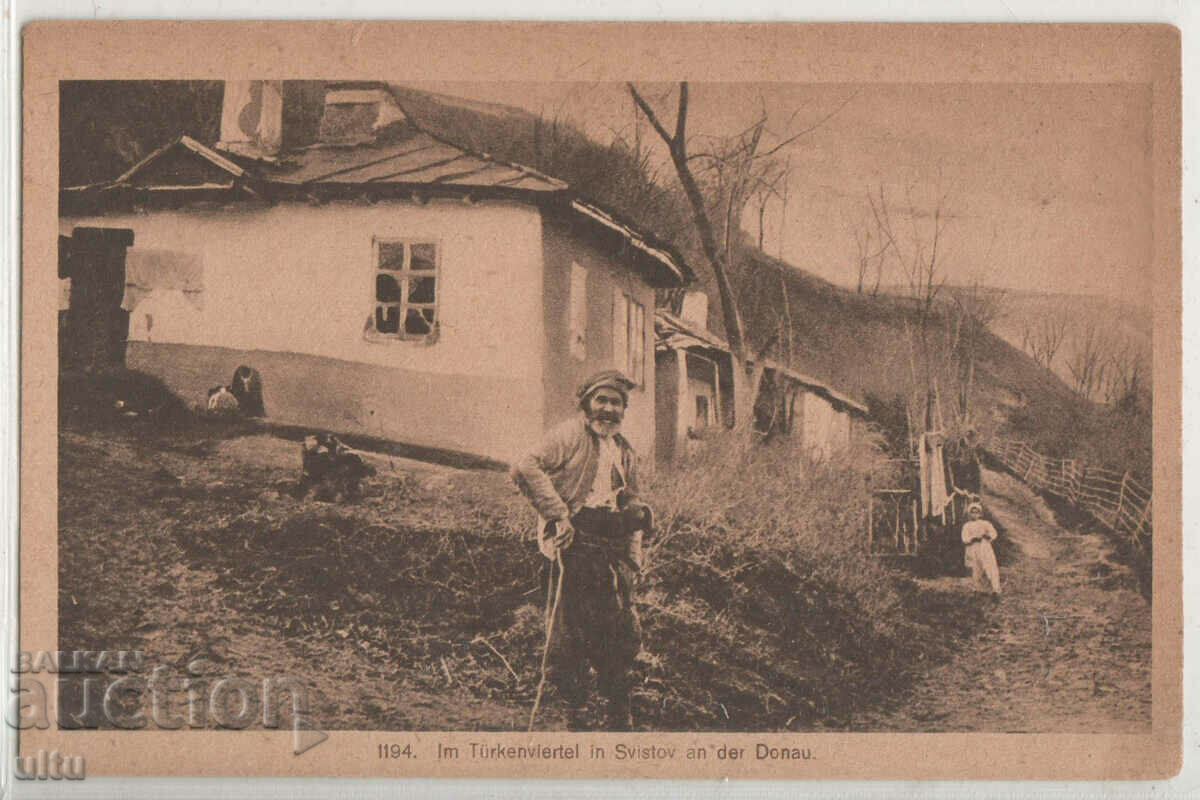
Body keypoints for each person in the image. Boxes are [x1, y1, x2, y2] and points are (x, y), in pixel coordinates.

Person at [510, 369, 651, 731]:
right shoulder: (571, 434)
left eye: (616, 402)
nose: (607, 409)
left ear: (624, 409)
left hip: (611, 549)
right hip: (574, 545)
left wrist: (634, 550)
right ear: (587, 403)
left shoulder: (623, 449)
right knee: (569, 632)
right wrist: (558, 514)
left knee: (619, 630)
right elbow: (525, 466)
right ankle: (576, 710)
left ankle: (619, 710)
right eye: (600, 400)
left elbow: (632, 500)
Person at [961, 500, 1001, 594]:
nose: (974, 514)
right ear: (969, 514)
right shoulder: (967, 526)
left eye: (976, 512)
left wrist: (988, 536)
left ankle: (995, 588)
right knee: (976, 568)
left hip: (985, 547)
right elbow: (964, 538)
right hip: (973, 548)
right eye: (972, 512)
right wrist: (973, 538)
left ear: (980, 514)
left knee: (989, 566)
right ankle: (978, 589)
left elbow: (993, 533)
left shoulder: (985, 523)